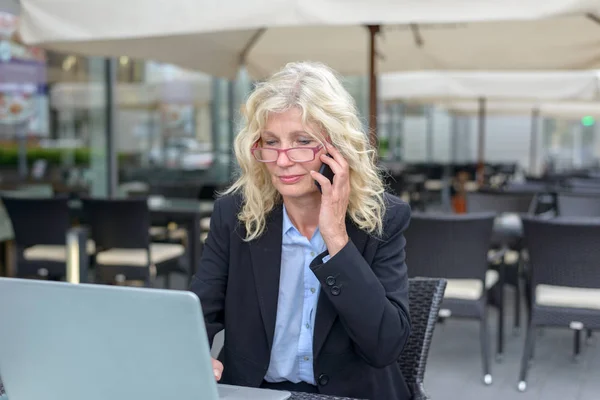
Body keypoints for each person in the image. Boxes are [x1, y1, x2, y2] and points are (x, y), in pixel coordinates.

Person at [190, 61, 412, 400]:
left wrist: (336, 237)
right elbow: (199, 311)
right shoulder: (235, 213)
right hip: (255, 391)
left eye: (302, 141)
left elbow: (385, 345)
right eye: (271, 142)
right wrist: (195, 355)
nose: (282, 160)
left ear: (336, 148)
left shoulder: (382, 219)